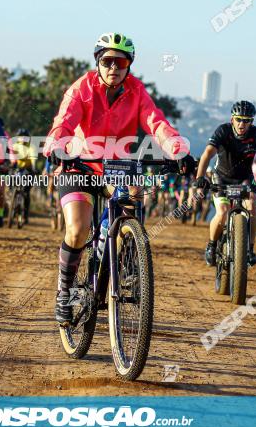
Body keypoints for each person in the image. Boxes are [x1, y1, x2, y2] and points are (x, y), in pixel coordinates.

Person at [45, 32, 195, 324]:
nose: (114, 67)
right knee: (77, 229)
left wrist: (178, 151)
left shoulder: (137, 91)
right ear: (98, 62)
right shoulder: (82, 89)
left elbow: (157, 124)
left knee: (134, 193)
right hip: (79, 165)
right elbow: (63, 123)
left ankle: (125, 254)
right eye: (108, 60)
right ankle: (65, 291)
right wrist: (56, 148)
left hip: (116, 167)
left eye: (121, 62)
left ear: (129, 66)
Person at [193, 101, 256, 267]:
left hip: (244, 178)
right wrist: (200, 177)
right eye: (238, 119)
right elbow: (207, 153)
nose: (242, 124)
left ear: (252, 121)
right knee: (222, 212)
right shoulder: (222, 130)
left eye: (247, 120)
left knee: (252, 204)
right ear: (232, 119)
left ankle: (250, 249)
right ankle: (211, 245)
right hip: (221, 177)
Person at [10, 128, 37, 223]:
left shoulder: (31, 147)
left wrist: (34, 168)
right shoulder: (15, 146)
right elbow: (11, 155)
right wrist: (12, 163)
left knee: (26, 192)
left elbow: (33, 158)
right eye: (21, 137)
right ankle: (12, 201)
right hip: (17, 169)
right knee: (12, 184)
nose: (23, 139)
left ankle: (25, 215)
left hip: (29, 170)